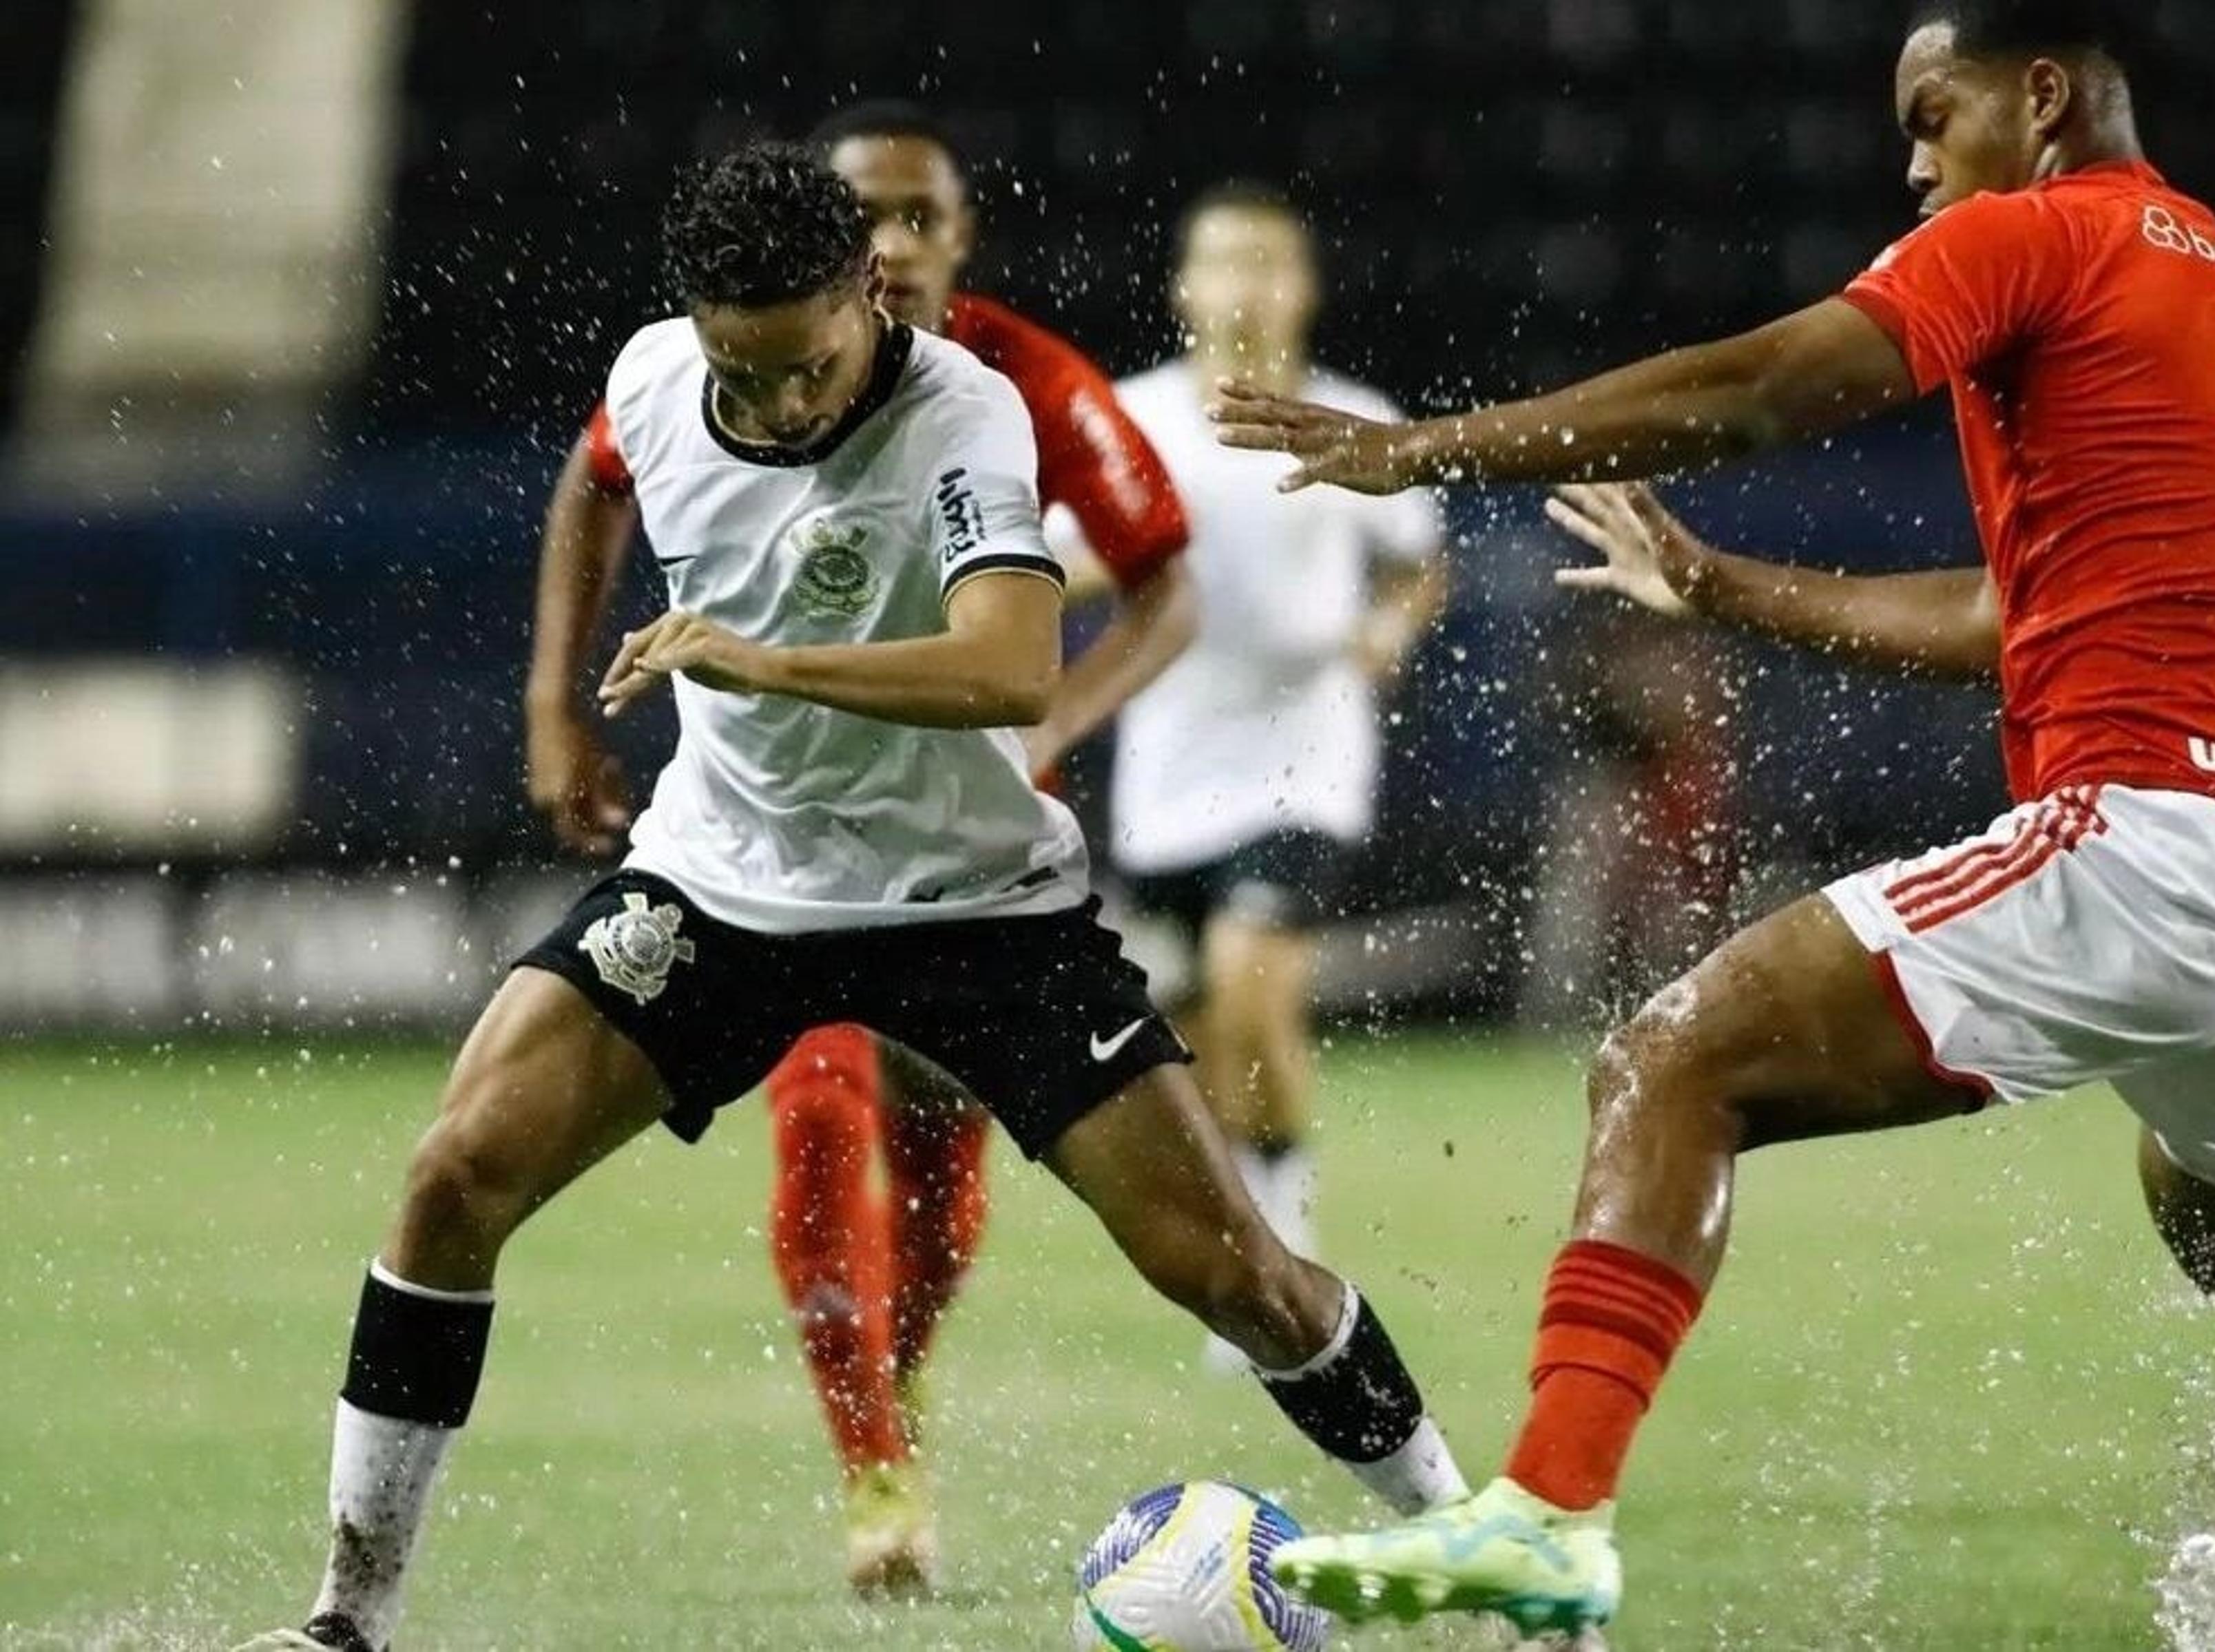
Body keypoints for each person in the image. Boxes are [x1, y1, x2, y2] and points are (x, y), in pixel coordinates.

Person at [1208, 4, 2215, 1646]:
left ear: (2042, 96)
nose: (1913, 161)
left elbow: (1765, 388)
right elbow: (2010, 609)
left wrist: (1431, 448)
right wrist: (1716, 586)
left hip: (2158, 847)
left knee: (1669, 1062)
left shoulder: (2039, 228)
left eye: (1937, 115)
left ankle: (1550, 1517)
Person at [236, 140, 1462, 1652]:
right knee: (452, 1179)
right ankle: (344, 1622)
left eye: (804, 367)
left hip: (970, 905)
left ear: (864, 297)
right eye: (739, 376)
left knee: (1239, 1281)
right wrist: (554, 702)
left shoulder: (964, 412)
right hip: (724, 882)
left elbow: (1012, 663)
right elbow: (591, 482)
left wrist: (759, 660)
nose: (777, 407)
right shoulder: (657, 377)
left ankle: (1477, 1554)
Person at [521, 102, 1200, 1592]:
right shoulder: (715, 367)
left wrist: (1047, 725)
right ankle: (874, 1461)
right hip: (773, 857)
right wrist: (554, 705)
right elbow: (596, 479)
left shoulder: (1023, 385)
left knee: (943, 1162)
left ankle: (901, 1383)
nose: (894, 244)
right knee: (820, 1119)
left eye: (922, 220)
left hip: (955, 856)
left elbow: (1167, 586)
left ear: (960, 240)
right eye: (867, 220)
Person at [1096, 184, 1447, 1365]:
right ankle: (1247, 1238)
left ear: (1302, 288)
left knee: (1257, 986)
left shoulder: (1353, 421)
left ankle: (1285, 1243)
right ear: (1184, 289)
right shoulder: (1130, 421)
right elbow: (1066, 557)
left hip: (1307, 752)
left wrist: (1388, 632)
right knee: (1194, 1042)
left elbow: (1414, 564)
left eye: (1266, 265)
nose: (1243, 288)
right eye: (1220, 264)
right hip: (1169, 764)